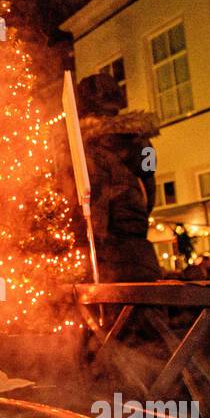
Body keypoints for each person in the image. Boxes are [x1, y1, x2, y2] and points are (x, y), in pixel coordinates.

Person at [75, 72, 162, 283]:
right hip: (139, 250)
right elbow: (149, 187)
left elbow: (79, 198)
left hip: (101, 252)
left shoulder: (81, 146)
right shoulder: (141, 141)